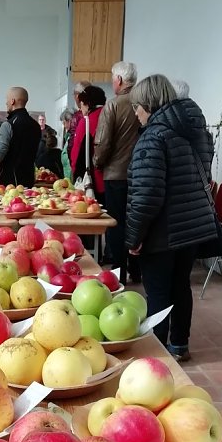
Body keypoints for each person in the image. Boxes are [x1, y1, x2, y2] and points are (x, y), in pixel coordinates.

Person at [126, 74, 216, 363]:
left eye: (137, 108)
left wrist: (134, 236)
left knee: (159, 292)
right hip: (192, 225)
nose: (136, 114)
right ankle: (179, 345)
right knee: (181, 286)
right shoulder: (196, 130)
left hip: (162, 229)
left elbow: (147, 193)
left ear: (148, 104)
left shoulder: (153, 136)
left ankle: (157, 355)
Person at [93, 61, 141, 282]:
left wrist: (97, 162)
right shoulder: (145, 103)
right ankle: (138, 270)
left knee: (116, 224)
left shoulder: (113, 106)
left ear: (119, 80)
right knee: (138, 222)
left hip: (116, 175)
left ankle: (119, 274)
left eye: (113, 79)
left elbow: (102, 142)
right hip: (142, 175)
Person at [0, 87, 41, 188]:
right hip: (30, 179)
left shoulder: (8, 125)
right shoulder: (36, 126)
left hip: (11, 182)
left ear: (12, 101)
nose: (6, 103)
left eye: (7, 100)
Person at [70, 85, 106, 200]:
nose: (81, 109)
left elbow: (77, 152)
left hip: (94, 179)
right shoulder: (110, 115)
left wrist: (75, 175)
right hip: (113, 177)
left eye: (81, 105)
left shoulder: (87, 121)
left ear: (86, 103)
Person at [66, 80, 90, 154]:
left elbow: (72, 144)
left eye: (74, 94)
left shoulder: (77, 117)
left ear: (77, 96)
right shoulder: (101, 112)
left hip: (81, 160)